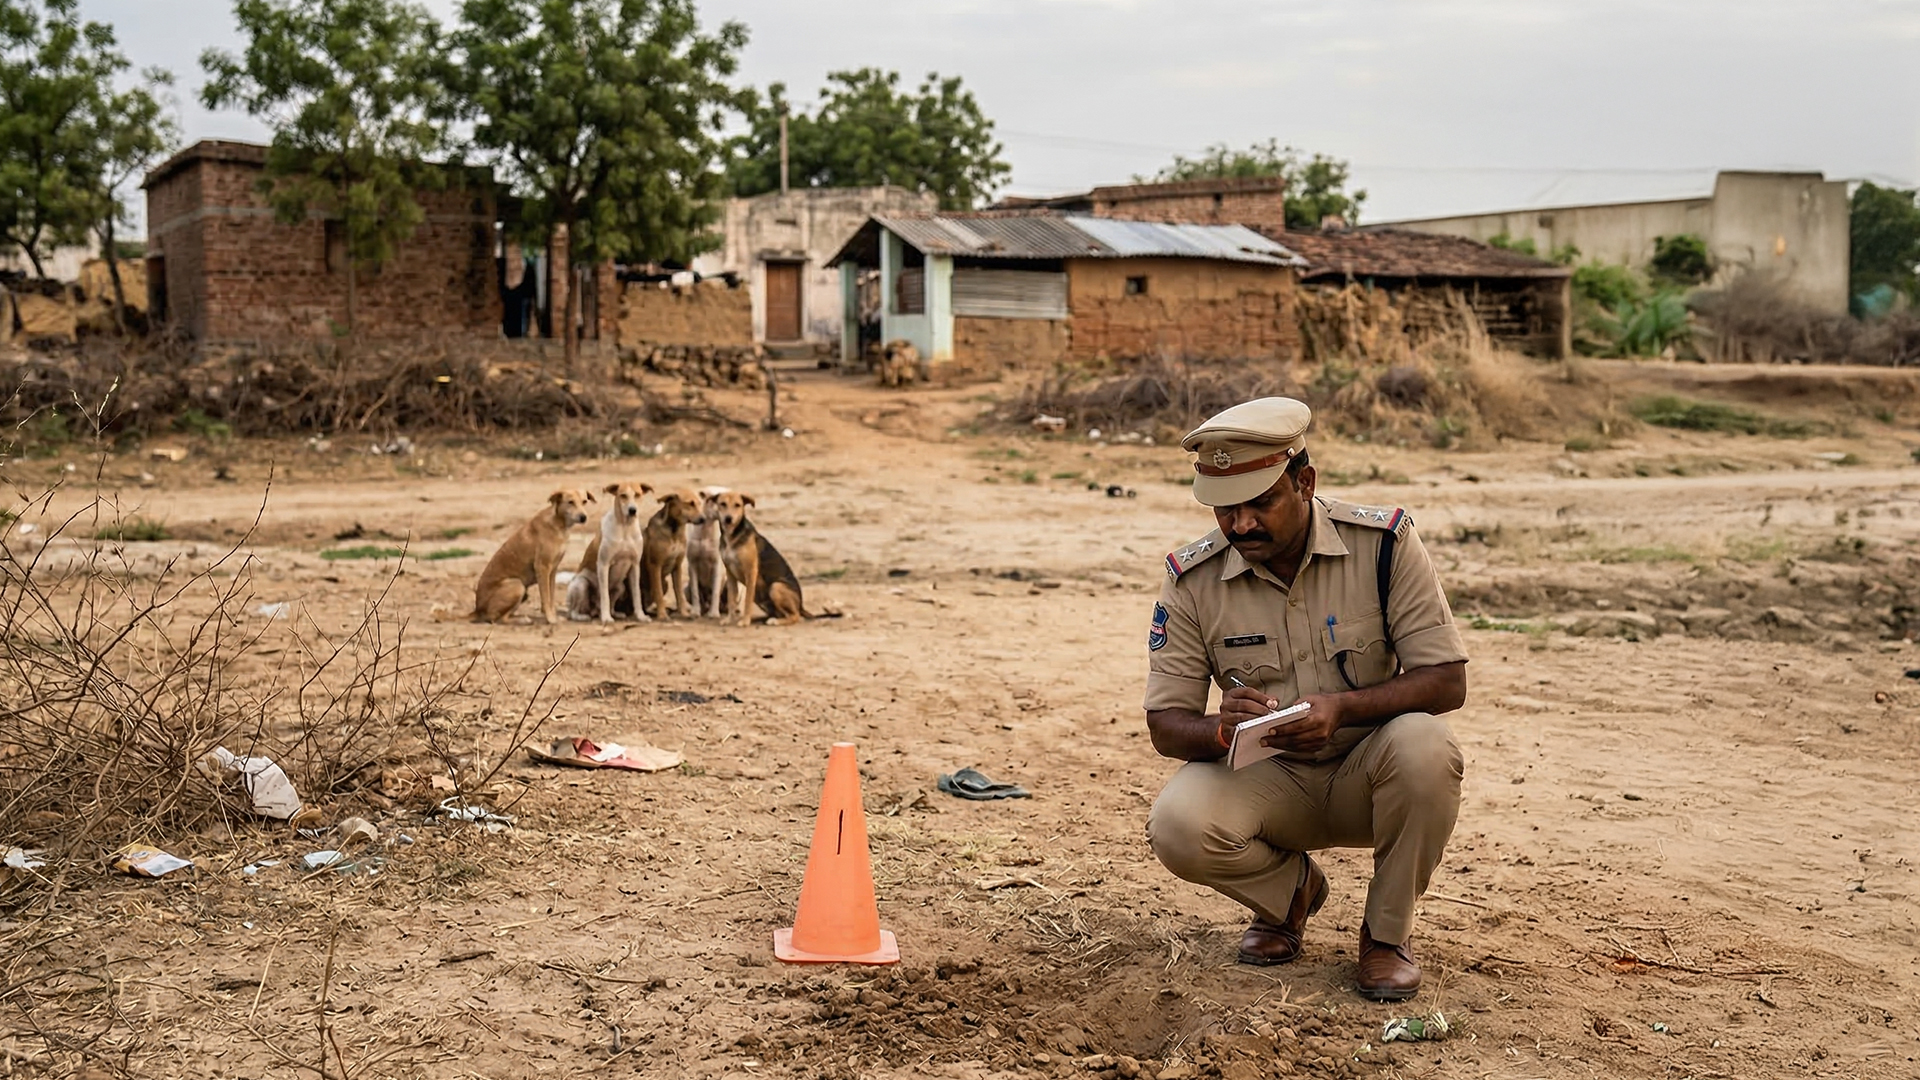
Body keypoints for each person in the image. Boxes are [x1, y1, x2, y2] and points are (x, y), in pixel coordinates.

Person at [1143, 397, 1468, 1002]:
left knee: (1426, 745)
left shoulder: (1384, 545)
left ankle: (1384, 938)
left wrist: (1344, 709)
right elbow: (1165, 723)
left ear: (1305, 482)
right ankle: (1290, 895)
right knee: (1177, 824)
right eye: (1224, 510)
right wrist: (1219, 729)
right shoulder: (1191, 580)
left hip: (1369, 774)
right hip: (1271, 784)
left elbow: (1447, 680)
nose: (1241, 526)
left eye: (1260, 503)